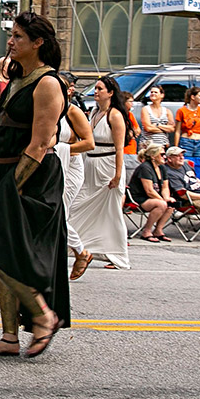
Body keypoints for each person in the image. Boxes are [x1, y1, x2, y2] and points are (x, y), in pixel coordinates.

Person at [0, 12, 68, 359]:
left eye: (19, 37)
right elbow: (5, 137)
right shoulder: (20, 79)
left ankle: (42, 314)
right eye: (12, 36)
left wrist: (11, 187)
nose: (11, 42)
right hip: (4, 171)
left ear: (38, 43)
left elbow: (40, 144)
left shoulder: (48, 83)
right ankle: (10, 336)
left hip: (32, 177)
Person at [69, 76, 131, 270]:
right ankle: (83, 247)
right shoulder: (95, 112)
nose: (96, 92)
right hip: (90, 163)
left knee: (111, 212)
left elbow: (120, 148)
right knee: (77, 204)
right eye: (95, 88)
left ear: (110, 93)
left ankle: (119, 256)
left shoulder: (115, 115)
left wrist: (118, 175)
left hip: (108, 165)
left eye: (100, 89)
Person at [55, 85, 96, 280]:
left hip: (70, 166)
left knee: (58, 212)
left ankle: (81, 252)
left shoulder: (72, 111)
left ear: (69, 90)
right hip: (51, 165)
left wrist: (59, 149)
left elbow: (89, 143)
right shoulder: (49, 108)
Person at [129, 143, 173, 242]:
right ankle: (147, 231)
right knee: (161, 204)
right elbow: (149, 191)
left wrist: (167, 198)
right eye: (162, 154)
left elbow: (165, 187)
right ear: (153, 156)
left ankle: (158, 230)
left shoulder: (162, 168)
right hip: (139, 197)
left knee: (171, 204)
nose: (164, 157)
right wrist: (163, 201)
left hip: (153, 197)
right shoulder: (145, 167)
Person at [165, 145, 200, 217]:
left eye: (182, 155)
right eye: (178, 156)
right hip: (189, 200)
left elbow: (196, 180)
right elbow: (183, 195)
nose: (182, 157)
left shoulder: (185, 164)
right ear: (169, 159)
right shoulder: (170, 173)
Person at [173, 87, 200, 157]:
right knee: (186, 163)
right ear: (193, 97)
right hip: (186, 141)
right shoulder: (182, 111)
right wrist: (176, 148)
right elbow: (177, 131)